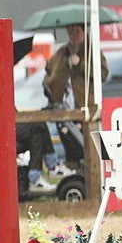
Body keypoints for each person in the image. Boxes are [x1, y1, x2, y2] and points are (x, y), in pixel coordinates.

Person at [43, 22, 109, 169]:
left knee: (91, 148)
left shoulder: (93, 51)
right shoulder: (61, 53)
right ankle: (73, 173)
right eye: (70, 32)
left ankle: (92, 174)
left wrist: (80, 64)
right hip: (64, 108)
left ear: (84, 33)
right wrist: (50, 87)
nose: (73, 36)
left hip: (87, 108)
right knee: (70, 148)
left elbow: (103, 74)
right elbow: (48, 73)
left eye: (77, 32)